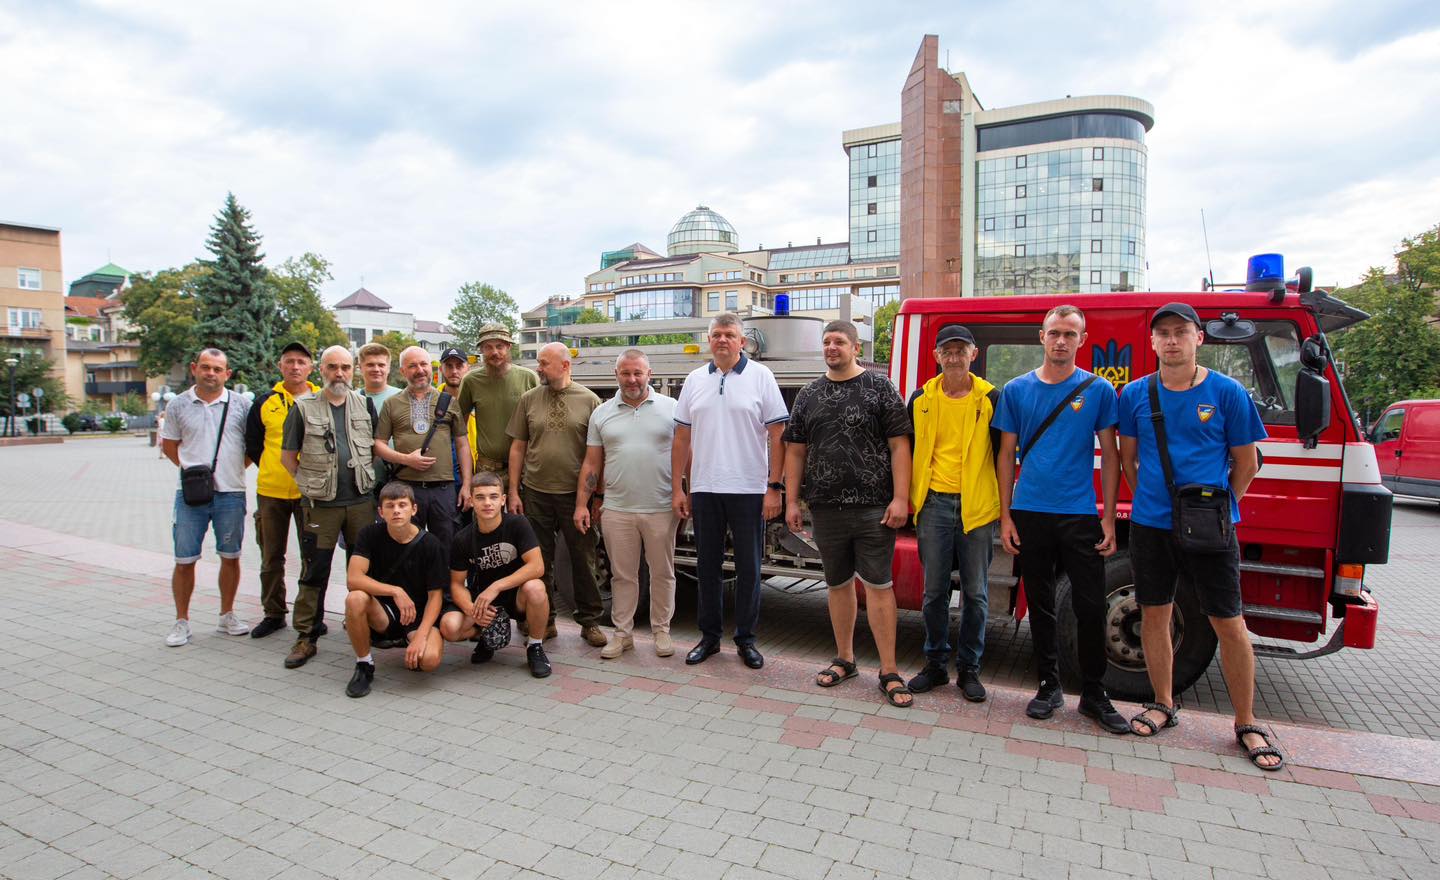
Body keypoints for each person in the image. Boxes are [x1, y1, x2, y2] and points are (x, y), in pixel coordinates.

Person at [1118, 303, 1281, 769]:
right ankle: (1163, 703)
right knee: (1154, 615)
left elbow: (1246, 463)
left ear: (1198, 339)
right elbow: (1129, 460)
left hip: (1213, 526)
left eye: (1181, 332)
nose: (1172, 341)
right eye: (1163, 333)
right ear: (1152, 342)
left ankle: (1246, 722)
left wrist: (1220, 507)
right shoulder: (1135, 395)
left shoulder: (1228, 393)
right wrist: (1155, 500)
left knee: (1228, 622)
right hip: (1151, 524)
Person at [993, 306, 1127, 733]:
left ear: (1082, 339)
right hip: (1031, 512)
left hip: (1079, 514)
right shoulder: (1016, 390)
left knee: (1090, 606)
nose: (1061, 341)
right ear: (1041, 336)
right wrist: (1006, 516)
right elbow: (1005, 456)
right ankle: (1048, 686)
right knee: (1043, 605)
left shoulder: (1099, 390)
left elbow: (1112, 457)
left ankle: (1093, 693)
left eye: (1070, 333)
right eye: (1054, 333)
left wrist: (1108, 517)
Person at [783, 321, 913, 707]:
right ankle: (845, 659)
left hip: (874, 508)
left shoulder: (880, 388)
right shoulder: (809, 394)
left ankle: (889, 670)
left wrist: (901, 498)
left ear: (856, 347)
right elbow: (795, 450)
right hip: (825, 508)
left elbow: (899, 445)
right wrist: (792, 501)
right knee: (837, 584)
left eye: (839, 341)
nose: (831, 347)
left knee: (878, 586)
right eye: (826, 342)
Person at [673, 313, 788, 669]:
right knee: (707, 566)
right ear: (709, 341)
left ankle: (746, 640)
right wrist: (680, 487)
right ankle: (709, 639)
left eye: (730, 335)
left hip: (749, 489)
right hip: (706, 488)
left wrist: (774, 487)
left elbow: (778, 434)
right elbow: (681, 437)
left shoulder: (761, 376)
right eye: (716, 335)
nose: (722, 340)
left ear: (743, 342)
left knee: (750, 569)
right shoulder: (694, 380)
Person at [905, 324, 1001, 701]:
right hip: (934, 505)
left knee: (976, 594)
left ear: (973, 355)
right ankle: (934, 666)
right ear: (937, 357)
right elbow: (906, 451)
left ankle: (969, 670)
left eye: (962, 350)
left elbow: (1004, 455)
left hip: (976, 508)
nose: (954, 356)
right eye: (948, 350)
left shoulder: (992, 397)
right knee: (933, 593)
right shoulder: (921, 399)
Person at [278, 346, 379, 670]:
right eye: (333, 367)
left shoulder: (364, 405)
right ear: (321, 370)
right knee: (314, 569)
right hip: (321, 507)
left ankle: (363, 625)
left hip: (361, 504)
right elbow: (287, 457)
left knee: (363, 570)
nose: (340, 373)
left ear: (354, 371)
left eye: (345, 367)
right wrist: (309, 484)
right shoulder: (303, 408)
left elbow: (376, 449)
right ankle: (306, 636)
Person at [575, 349, 678, 659]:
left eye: (638, 373)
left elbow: (688, 456)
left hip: (661, 507)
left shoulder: (672, 408)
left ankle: (661, 631)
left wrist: (685, 493)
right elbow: (592, 464)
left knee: (662, 572)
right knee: (623, 576)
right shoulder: (602, 413)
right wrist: (583, 504)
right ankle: (623, 634)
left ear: (650, 374)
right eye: (625, 373)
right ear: (616, 374)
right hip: (617, 509)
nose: (632, 379)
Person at [506, 342, 606, 646]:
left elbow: (598, 455)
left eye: (544, 363)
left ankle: (590, 622)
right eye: (539, 362)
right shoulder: (528, 399)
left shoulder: (590, 401)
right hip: (535, 492)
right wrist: (513, 490)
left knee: (583, 560)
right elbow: (518, 447)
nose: (539, 368)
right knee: (538, 562)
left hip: (575, 498)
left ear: (564, 365)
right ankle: (545, 622)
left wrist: (594, 498)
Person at [159, 348, 253, 646]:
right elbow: (171, 445)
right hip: (190, 498)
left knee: (231, 556)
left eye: (217, 369)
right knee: (184, 559)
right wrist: (193, 475)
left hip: (231, 493)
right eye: (205, 367)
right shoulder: (178, 405)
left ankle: (227, 615)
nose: (211, 373)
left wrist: (232, 470)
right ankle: (181, 621)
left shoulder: (241, 406)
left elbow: (251, 449)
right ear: (194, 369)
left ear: (228, 374)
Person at [440, 472, 552, 677]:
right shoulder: (462, 539)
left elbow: (537, 566)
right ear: (471, 501)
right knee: (450, 628)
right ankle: (484, 635)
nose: (487, 503)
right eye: (480, 497)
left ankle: (535, 647)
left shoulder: (518, 524)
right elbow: (456, 584)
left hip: (515, 596)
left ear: (503, 500)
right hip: (484, 603)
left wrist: (497, 586)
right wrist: (472, 609)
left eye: (493, 496)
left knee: (536, 587)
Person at [243, 341, 319, 640]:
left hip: (309, 492)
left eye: (301, 362)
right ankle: (273, 613)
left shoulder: (320, 399)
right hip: (271, 491)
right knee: (271, 556)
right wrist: (272, 467)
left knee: (311, 556)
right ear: (280, 365)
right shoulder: (265, 401)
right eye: (290, 361)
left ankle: (311, 614)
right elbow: (252, 443)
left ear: (311, 368)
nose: (296, 367)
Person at [343, 481, 447, 697]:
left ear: (414, 509)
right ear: (381, 512)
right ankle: (364, 664)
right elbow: (353, 579)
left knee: (428, 661)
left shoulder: (431, 544)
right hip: (385, 613)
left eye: (402, 505)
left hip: (418, 615)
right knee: (355, 598)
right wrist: (395, 591)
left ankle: (411, 640)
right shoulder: (369, 535)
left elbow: (436, 596)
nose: (397, 511)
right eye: (390, 506)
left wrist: (421, 636)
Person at [374, 346, 471, 548]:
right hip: (407, 488)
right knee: (407, 546)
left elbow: (463, 445)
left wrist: (467, 484)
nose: (419, 370)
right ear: (402, 371)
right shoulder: (392, 404)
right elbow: (379, 445)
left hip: (443, 489)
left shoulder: (448, 401)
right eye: (412, 366)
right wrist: (406, 459)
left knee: (447, 547)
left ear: (431, 367)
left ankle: (443, 581)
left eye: (423, 364)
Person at [457, 323, 538, 495]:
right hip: (487, 471)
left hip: (526, 470)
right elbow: (459, 430)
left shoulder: (528, 378)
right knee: (486, 520)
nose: (495, 352)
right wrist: (466, 479)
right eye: (488, 347)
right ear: (481, 350)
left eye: (500, 346)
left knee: (522, 521)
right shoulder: (471, 381)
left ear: (509, 347)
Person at [357, 342, 401, 407]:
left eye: (381, 365)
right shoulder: (351, 399)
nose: (376, 369)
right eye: (370, 365)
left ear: (388, 368)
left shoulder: (402, 398)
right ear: (360, 368)